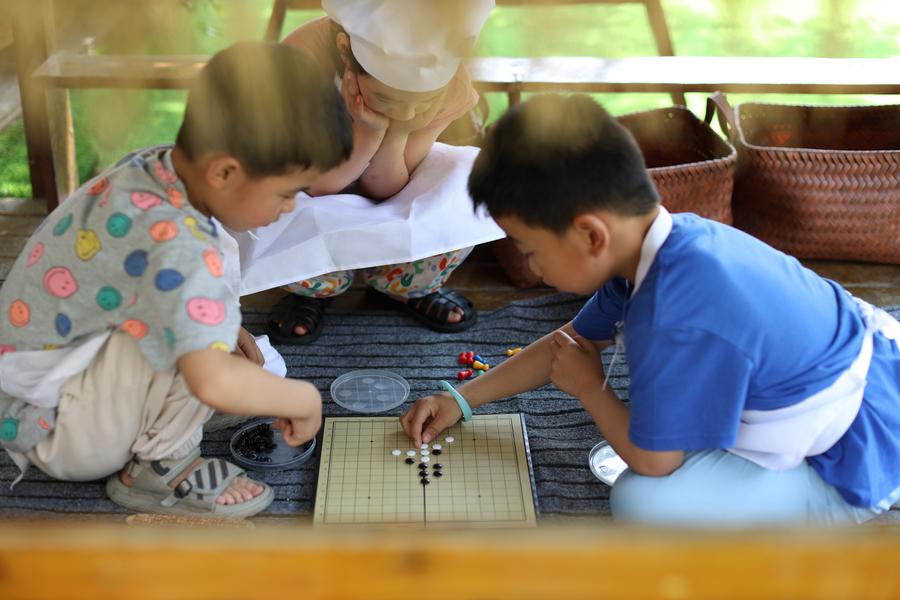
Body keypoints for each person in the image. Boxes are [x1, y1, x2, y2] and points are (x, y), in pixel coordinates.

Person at [400, 93, 900, 526]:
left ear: (591, 235)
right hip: (864, 370)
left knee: (643, 501)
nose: (532, 266)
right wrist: (461, 400)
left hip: (858, 455)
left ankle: (820, 508)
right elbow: (570, 343)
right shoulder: (659, 245)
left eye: (531, 250)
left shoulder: (669, 313)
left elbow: (655, 462)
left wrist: (590, 388)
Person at [0, 42, 353, 518]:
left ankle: (167, 410)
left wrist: (225, 329)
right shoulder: (177, 246)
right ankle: (162, 466)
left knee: (207, 337)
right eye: (287, 193)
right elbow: (208, 374)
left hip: (39, 392)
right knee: (205, 358)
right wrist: (304, 400)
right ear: (224, 171)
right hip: (60, 431)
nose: (289, 208)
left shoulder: (154, 169)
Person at [241, 0, 500, 345]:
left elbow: (386, 187)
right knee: (267, 195)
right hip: (314, 180)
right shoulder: (296, 65)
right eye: (387, 99)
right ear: (345, 51)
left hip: (389, 181)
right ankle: (315, 288)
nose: (406, 113)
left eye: (422, 103)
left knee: (465, 180)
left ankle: (404, 285)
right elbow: (315, 186)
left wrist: (396, 133)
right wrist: (366, 135)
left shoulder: (450, 85)